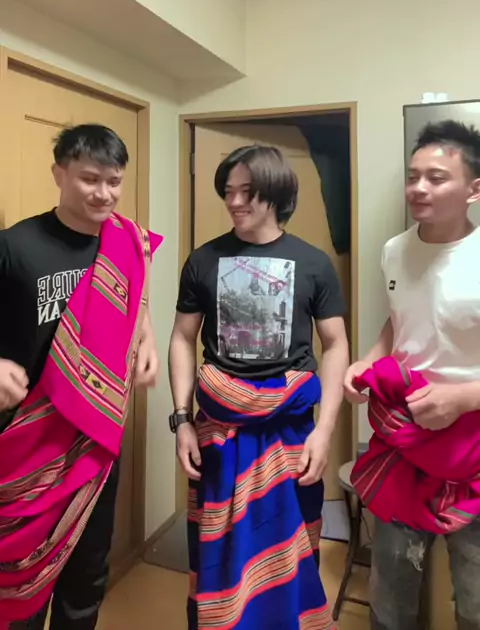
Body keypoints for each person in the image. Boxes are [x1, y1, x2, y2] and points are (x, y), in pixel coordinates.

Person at [168, 144, 349, 630]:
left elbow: (336, 345)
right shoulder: (203, 260)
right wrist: (181, 421)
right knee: (215, 558)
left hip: (292, 435)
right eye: (228, 191)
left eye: (247, 192)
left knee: (295, 550)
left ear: (276, 192)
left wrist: (324, 431)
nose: (234, 202)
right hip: (217, 434)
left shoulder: (313, 263)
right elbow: (182, 338)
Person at [0, 124, 162, 630]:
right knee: (19, 584)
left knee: (86, 581)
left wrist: (148, 338)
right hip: (25, 446)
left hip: (95, 443)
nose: (104, 194)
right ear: (59, 174)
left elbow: (135, 305)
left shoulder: (127, 243)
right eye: (90, 179)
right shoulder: (15, 246)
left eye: (114, 182)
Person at [344, 120, 480, 630]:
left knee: (476, 599)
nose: (419, 188)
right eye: (412, 176)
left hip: (474, 444)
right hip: (403, 437)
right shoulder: (394, 250)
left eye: (437, 178)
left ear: (474, 190)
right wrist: (368, 359)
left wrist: (463, 397)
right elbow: (399, 320)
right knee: (391, 595)